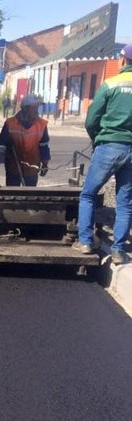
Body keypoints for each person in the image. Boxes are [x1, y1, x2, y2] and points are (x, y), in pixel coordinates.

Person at [72, 43, 132, 265]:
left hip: (110, 146)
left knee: (88, 195)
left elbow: (91, 119)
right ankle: (118, 250)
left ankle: (85, 241)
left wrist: (97, 137)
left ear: (123, 60)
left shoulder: (111, 84)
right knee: (125, 202)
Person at [0, 94, 50, 186]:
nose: (36, 111)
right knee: (12, 195)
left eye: (37, 108)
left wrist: (45, 164)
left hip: (32, 169)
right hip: (13, 167)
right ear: (25, 109)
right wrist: (7, 141)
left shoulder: (41, 125)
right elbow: (2, 141)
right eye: (34, 108)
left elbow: (44, 146)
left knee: (29, 196)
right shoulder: (10, 123)